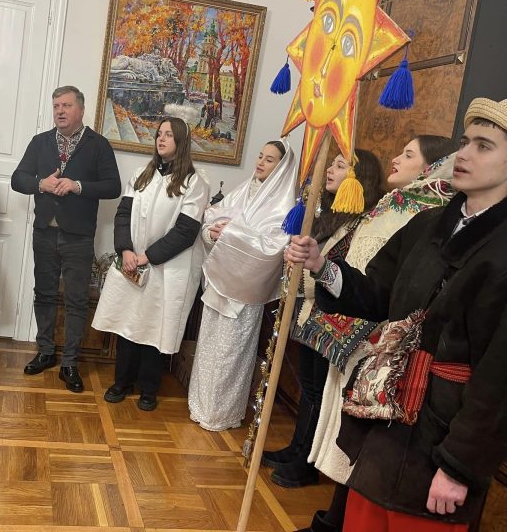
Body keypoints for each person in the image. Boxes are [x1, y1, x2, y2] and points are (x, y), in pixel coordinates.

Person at [283, 115, 500, 532]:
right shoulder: (427, 224)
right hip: (384, 418)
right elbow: (378, 293)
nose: (464, 153)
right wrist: (322, 266)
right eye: (465, 141)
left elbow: (498, 378)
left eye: (484, 146)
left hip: (442, 439)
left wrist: (459, 466)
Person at [261, 149, 385, 490]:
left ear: (359, 179)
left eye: (340, 166)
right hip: (312, 315)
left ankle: (306, 462)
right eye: (331, 163)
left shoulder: (359, 224)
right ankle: (297, 449)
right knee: (309, 389)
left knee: (317, 392)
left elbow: (343, 269)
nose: (330, 169)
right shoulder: (330, 216)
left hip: (333, 319)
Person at [93, 117, 209, 411]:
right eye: (159, 134)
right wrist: (126, 250)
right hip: (132, 261)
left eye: (168, 134)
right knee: (127, 321)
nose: (161, 138)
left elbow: (185, 231)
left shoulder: (194, 182)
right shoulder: (141, 175)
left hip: (166, 267)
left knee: (154, 326)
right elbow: (123, 214)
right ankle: (122, 382)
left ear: (181, 141)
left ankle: (148, 388)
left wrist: (147, 256)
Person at [11, 86, 121, 393]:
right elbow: (18, 179)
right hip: (44, 232)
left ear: (81, 110)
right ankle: (46, 351)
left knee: (76, 300)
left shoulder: (98, 145)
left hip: (79, 237)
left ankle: (70, 362)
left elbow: (113, 186)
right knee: (44, 293)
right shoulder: (40, 142)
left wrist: (77, 186)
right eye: (56, 106)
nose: (60, 111)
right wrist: (41, 184)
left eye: (67, 105)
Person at [187, 141, 297, 431]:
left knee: (230, 353)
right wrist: (213, 232)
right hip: (219, 281)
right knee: (208, 346)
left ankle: (222, 413)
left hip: (245, 289)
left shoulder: (284, 204)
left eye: (269, 160)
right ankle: (200, 405)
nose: (260, 162)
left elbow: (272, 246)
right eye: (260, 156)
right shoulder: (245, 189)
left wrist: (231, 232)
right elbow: (214, 216)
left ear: (281, 168)